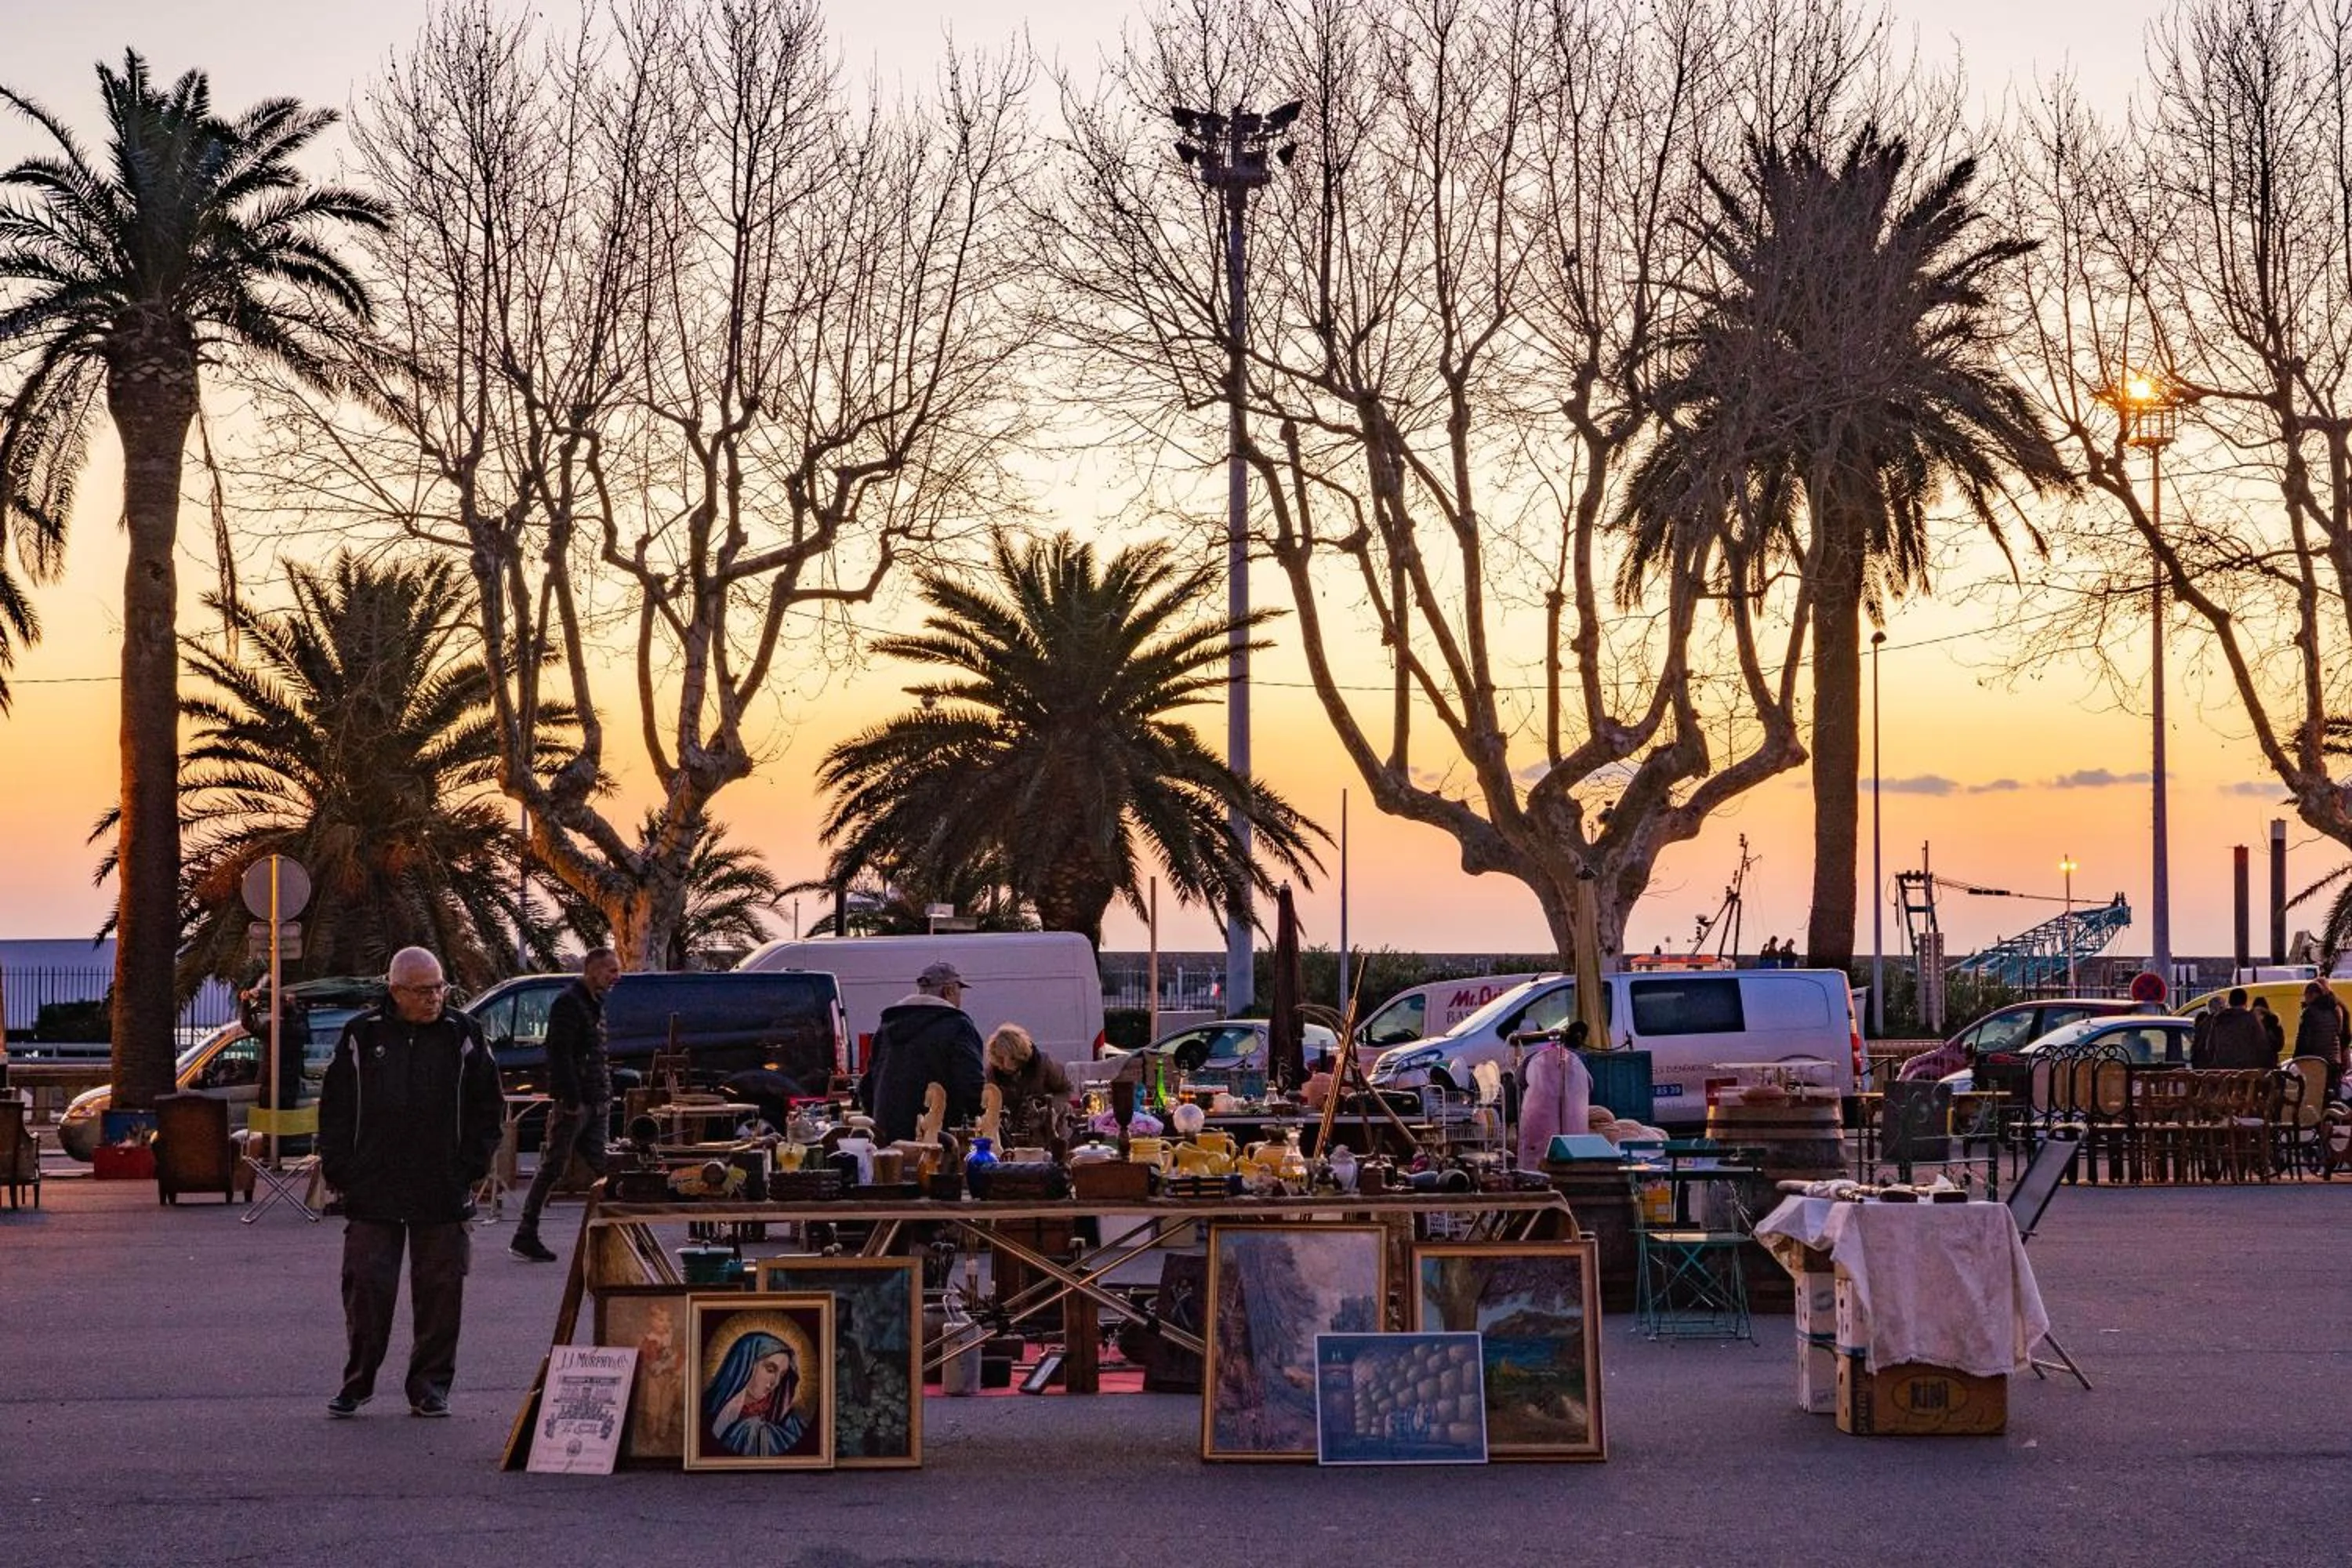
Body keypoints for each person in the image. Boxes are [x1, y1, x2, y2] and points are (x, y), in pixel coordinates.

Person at [317, 947, 503, 1418]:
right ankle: (357, 1382)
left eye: (440, 988)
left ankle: (429, 1387)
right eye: (422, 991)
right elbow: (336, 1108)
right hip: (373, 1189)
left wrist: (471, 1165)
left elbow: (488, 1105)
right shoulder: (362, 1035)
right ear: (396, 991)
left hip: (442, 1187)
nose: (434, 998)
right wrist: (341, 1169)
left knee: (441, 1292)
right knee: (367, 1289)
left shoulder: (463, 1034)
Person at [510, 946, 621, 1263]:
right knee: (554, 1167)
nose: (616, 977)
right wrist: (572, 1100)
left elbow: (593, 1054)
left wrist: (602, 1095)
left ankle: (624, 1233)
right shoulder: (569, 1003)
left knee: (606, 1166)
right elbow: (559, 1054)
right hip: (577, 1104)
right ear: (593, 970)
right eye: (611, 970)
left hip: (595, 1101)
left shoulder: (594, 1003)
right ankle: (526, 1233)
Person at [858, 961, 985, 1142]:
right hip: (939, 1140)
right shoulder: (958, 1026)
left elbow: (867, 1087)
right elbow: (972, 1086)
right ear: (949, 991)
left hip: (888, 1140)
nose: (960, 1000)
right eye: (959, 992)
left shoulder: (886, 1028)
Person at [702, 1331, 807, 1457]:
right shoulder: (705, 1412)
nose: (776, 1382)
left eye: (782, 1375)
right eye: (770, 1370)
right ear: (745, 1365)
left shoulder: (788, 1422)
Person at [1515, 1020, 1593, 1170]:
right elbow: (1590, 1086)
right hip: (1574, 1143)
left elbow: (1519, 1082)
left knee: (1538, 1162)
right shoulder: (1581, 1061)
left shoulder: (1532, 1059)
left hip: (1540, 1140)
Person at [984, 1022, 1073, 1139]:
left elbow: (1066, 1090)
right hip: (1015, 1131)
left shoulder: (1043, 1064)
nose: (1007, 1063)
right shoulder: (993, 1074)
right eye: (1001, 1058)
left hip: (1049, 1128)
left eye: (1012, 1057)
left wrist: (1051, 1107)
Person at [2292, 980, 2348, 1098]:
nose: (2305, 1000)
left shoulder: (2310, 1012)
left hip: (2317, 1063)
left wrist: (2297, 1058)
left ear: (2313, 995)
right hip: (2334, 1063)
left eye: (2306, 996)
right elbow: (2340, 1034)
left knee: (2315, 1097)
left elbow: (2304, 1039)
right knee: (2333, 1095)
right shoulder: (2335, 1010)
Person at [2198, 987, 2269, 1071]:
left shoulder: (2219, 1019)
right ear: (2245, 1003)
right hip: (2245, 1070)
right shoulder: (2251, 1019)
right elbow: (2261, 1044)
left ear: (2230, 1003)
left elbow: (2210, 1046)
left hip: (2223, 1069)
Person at [2250, 995, 2287, 1064]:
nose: (2259, 1017)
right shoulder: (2274, 1023)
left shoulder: (2248, 1023)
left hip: (2255, 1062)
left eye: (2261, 1013)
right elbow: (2279, 1045)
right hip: (2269, 1062)